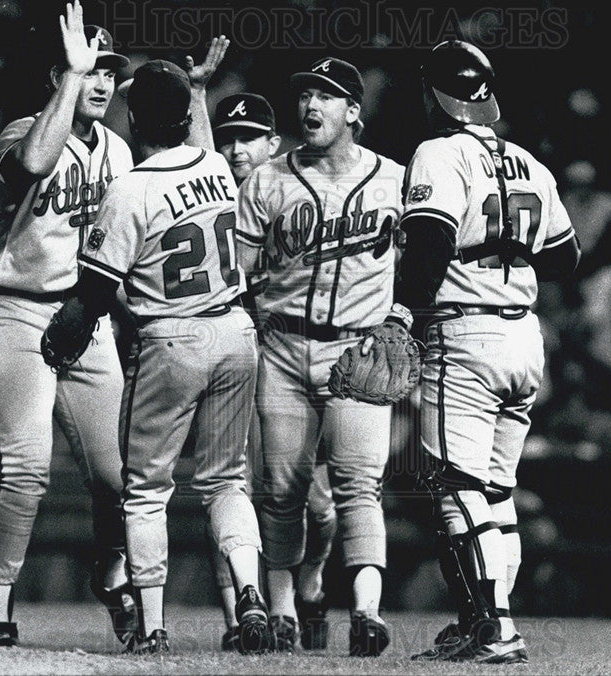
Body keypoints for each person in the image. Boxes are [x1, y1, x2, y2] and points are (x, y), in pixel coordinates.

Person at [67, 59, 270, 656]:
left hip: (172, 338)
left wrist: (67, 333)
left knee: (147, 489)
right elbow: (200, 143)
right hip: (236, 330)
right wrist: (199, 92)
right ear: (186, 116)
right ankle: (251, 594)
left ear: (134, 118)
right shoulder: (213, 164)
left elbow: (97, 292)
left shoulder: (130, 186)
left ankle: (153, 627)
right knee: (228, 480)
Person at [397, 41, 580, 664]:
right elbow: (565, 258)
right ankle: (484, 622)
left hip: (466, 334)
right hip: (525, 337)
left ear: (433, 93)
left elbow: (428, 245)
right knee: (496, 492)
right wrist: (506, 240)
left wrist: (399, 315)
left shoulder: (438, 152)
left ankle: (496, 627)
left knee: (456, 487)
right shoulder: (529, 160)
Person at [0, 2, 135, 647]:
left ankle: (111, 570)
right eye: (89, 69)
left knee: (114, 477)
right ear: (59, 73)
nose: (100, 81)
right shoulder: (21, 131)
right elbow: (31, 168)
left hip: (85, 316)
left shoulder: (118, 151)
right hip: (14, 308)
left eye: (106, 72)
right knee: (27, 470)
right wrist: (69, 77)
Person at [235, 57, 404, 656]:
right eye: (305, 95)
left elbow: (425, 261)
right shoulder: (267, 181)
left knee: (360, 485)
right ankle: (283, 610)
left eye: (327, 97)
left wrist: (403, 315)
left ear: (354, 111)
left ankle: (366, 611)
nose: (311, 106)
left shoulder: (396, 180)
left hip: (359, 346)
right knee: (281, 488)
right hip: (281, 343)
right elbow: (240, 273)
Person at [211, 93, 338, 651]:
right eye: (227, 137)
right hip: (232, 358)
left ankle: (309, 582)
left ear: (274, 144)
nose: (237, 148)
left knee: (319, 505)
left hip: (293, 357)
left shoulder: (300, 194)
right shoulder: (207, 189)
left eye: (250, 137)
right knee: (230, 487)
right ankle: (246, 617)